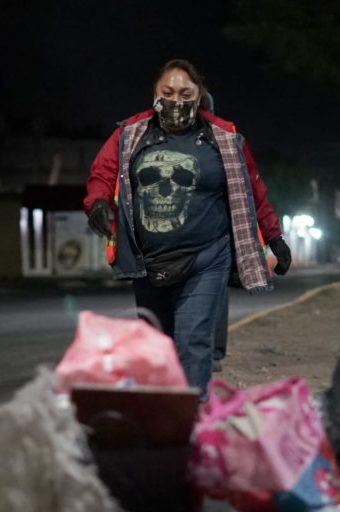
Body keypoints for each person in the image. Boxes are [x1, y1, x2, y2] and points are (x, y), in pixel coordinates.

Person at [83, 59, 291, 399]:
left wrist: (274, 237)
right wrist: (99, 204)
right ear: (154, 94)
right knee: (158, 348)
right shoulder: (130, 134)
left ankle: (194, 423)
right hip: (147, 261)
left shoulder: (224, 138)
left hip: (206, 258)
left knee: (192, 340)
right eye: (167, 92)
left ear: (199, 95)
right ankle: (167, 419)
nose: (176, 100)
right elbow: (101, 175)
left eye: (185, 92)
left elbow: (254, 190)